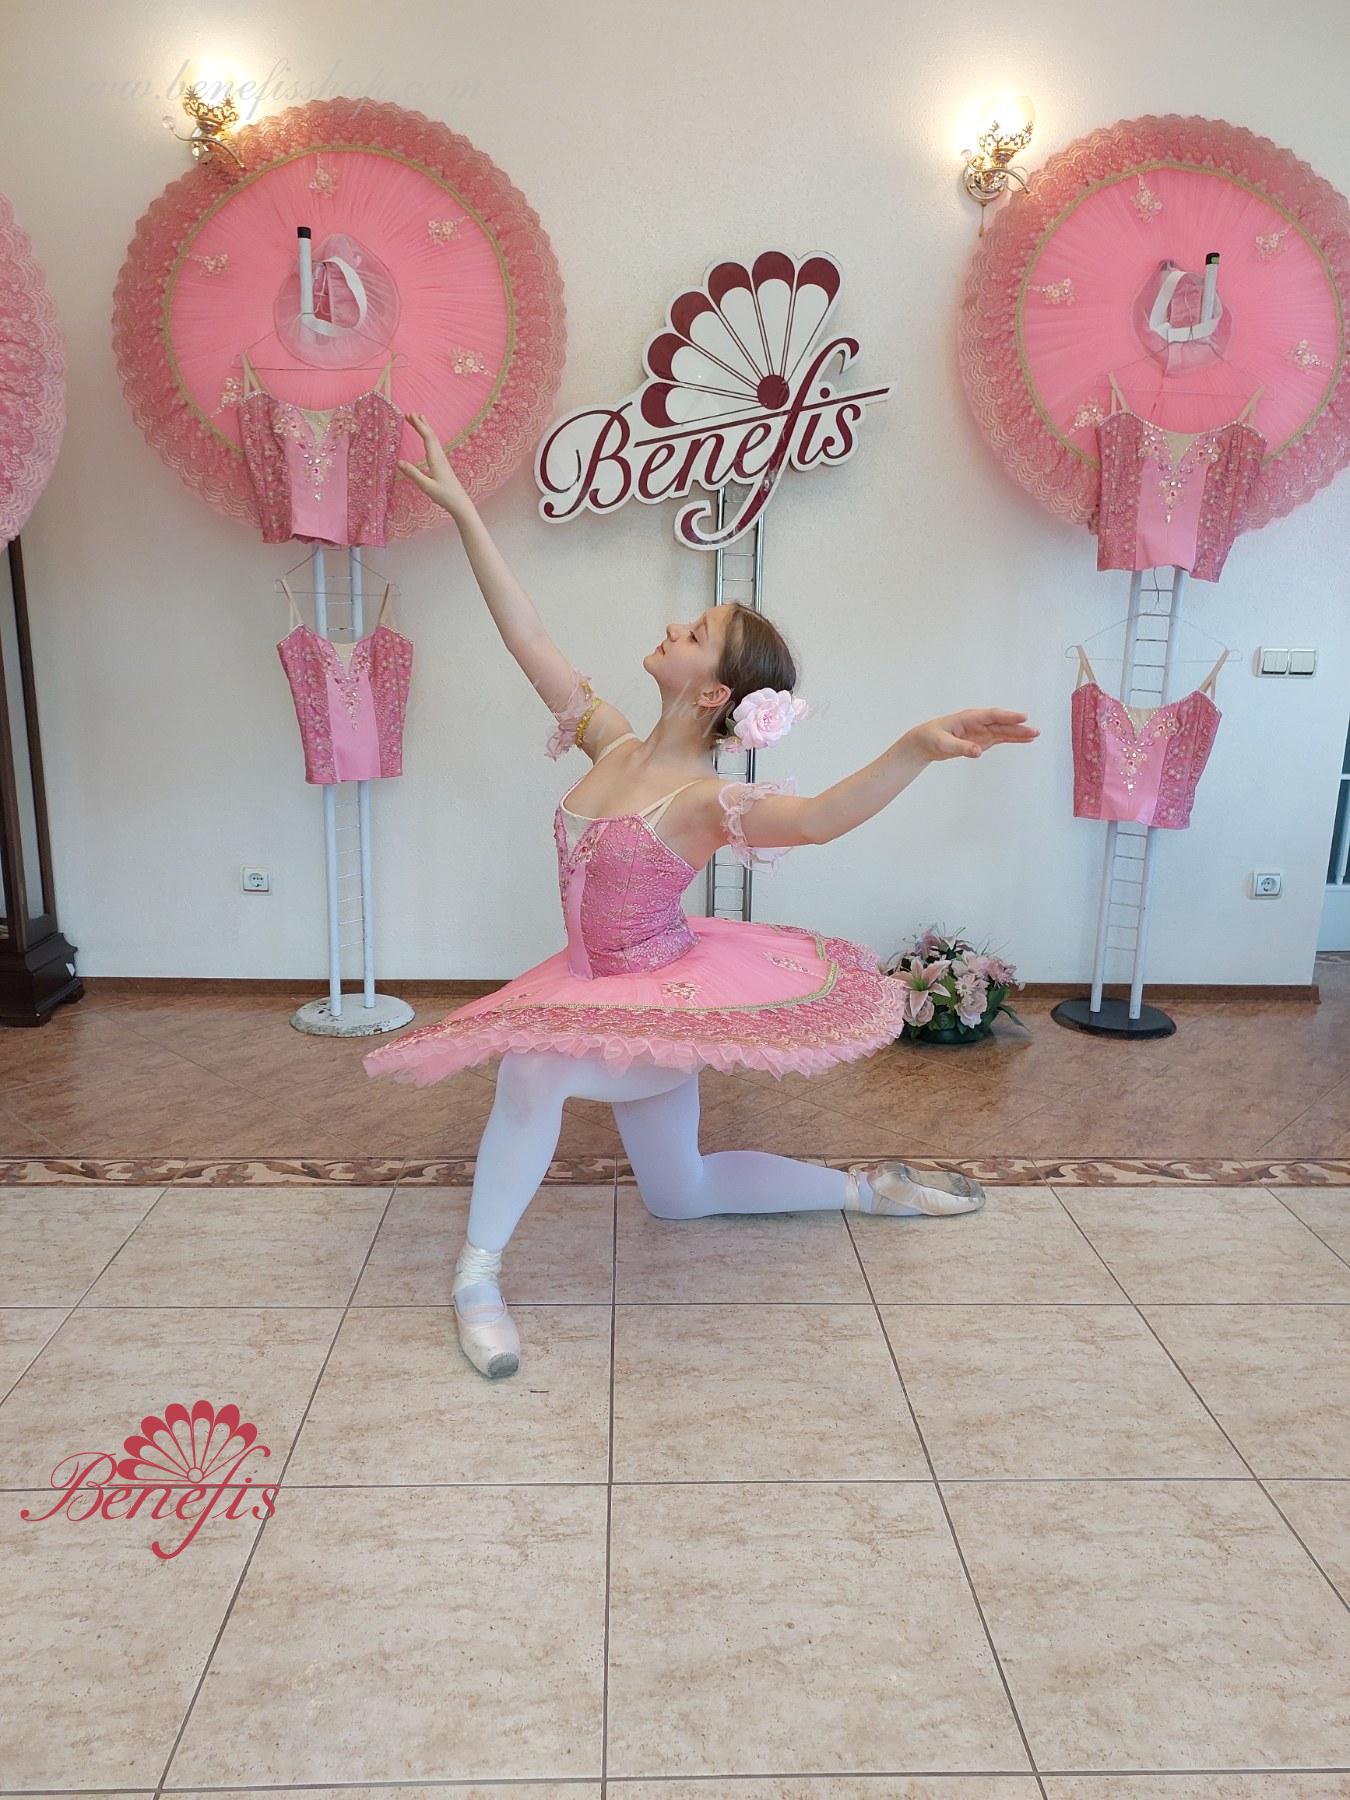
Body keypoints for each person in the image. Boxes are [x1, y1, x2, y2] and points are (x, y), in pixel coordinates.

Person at [364, 413, 1040, 1379]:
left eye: (697, 633)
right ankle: (867, 1190)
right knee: (677, 1193)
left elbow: (817, 819)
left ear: (715, 692)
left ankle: (477, 1276)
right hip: (594, 987)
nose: (674, 627)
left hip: (656, 1005)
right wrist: (468, 512)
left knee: (530, 1072)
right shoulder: (609, 740)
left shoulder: (701, 802)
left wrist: (915, 747)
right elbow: (527, 634)